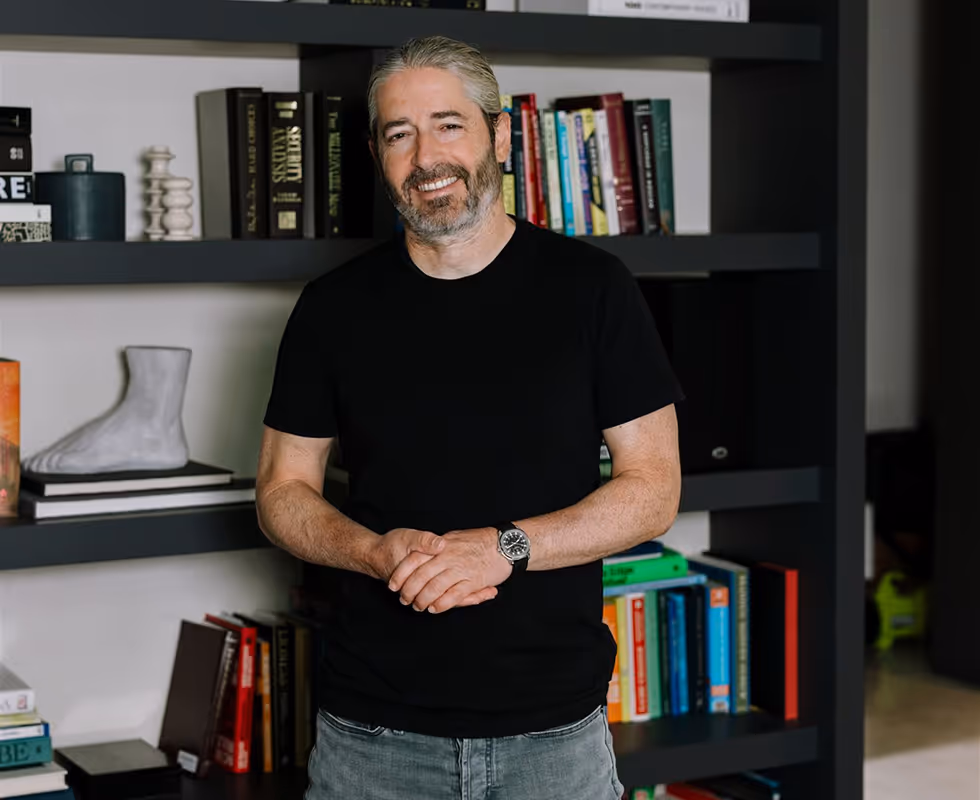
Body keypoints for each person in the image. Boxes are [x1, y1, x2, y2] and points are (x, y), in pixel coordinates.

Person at [256, 34, 684, 800]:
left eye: (448, 124)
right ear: (378, 154)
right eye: (399, 133)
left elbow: (653, 488)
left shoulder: (594, 289)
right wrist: (372, 553)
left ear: (501, 133)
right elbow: (282, 492)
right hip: (370, 742)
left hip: (553, 741)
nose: (426, 156)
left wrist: (505, 548)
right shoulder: (331, 309)